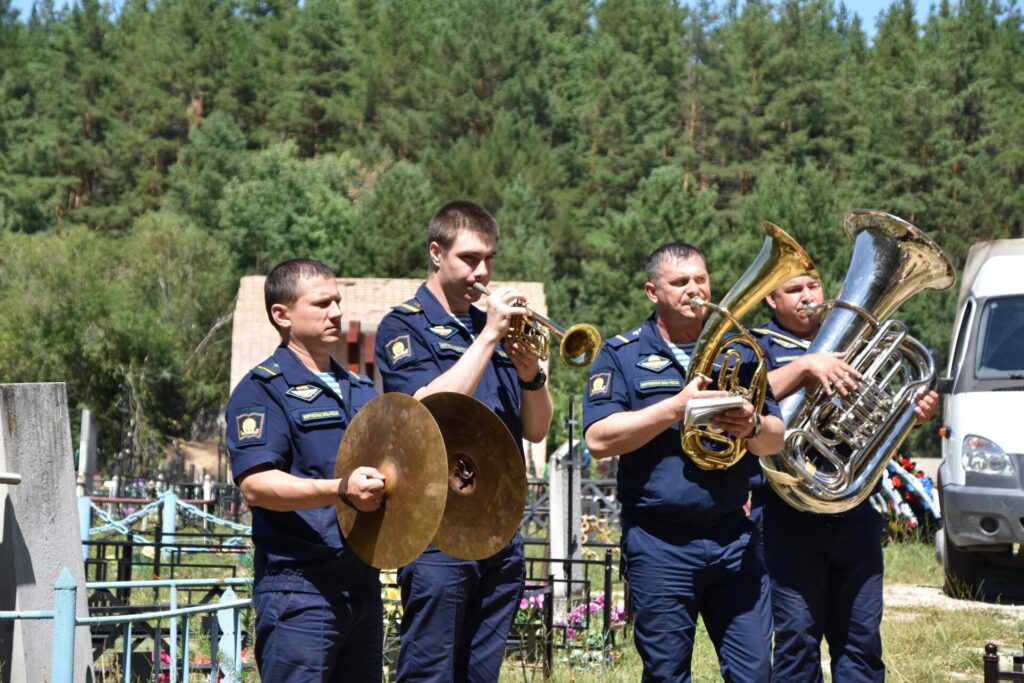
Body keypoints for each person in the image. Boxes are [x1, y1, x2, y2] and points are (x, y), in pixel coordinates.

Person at [583, 241, 785, 682]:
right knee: (666, 674)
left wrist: (751, 425)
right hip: (659, 542)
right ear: (653, 292)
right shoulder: (621, 354)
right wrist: (676, 408)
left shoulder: (742, 351)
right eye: (680, 283)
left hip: (733, 537)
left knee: (756, 671)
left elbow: (775, 441)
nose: (695, 290)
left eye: (701, 279)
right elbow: (598, 439)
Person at [374, 200, 554, 682]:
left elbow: (537, 430)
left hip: (499, 525)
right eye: (470, 258)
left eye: (489, 259)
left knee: (481, 674)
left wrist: (533, 376)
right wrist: (488, 340)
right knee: (430, 671)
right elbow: (425, 408)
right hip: (439, 528)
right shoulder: (403, 325)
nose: (483, 271)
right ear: (436, 253)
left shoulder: (491, 331)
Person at [750, 273, 939, 682]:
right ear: (770, 299)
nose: (806, 297)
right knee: (797, 640)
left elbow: (879, 415)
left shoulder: (855, 341)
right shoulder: (756, 344)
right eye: (793, 290)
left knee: (862, 639)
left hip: (853, 507)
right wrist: (804, 367)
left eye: (812, 286)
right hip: (788, 512)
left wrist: (913, 411)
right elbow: (745, 398)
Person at [226, 258, 388, 681]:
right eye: (321, 304)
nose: (336, 312)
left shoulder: (361, 389)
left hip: (363, 587)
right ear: (282, 315)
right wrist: (340, 489)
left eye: (337, 301)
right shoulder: (262, 389)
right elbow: (257, 485)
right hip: (300, 590)